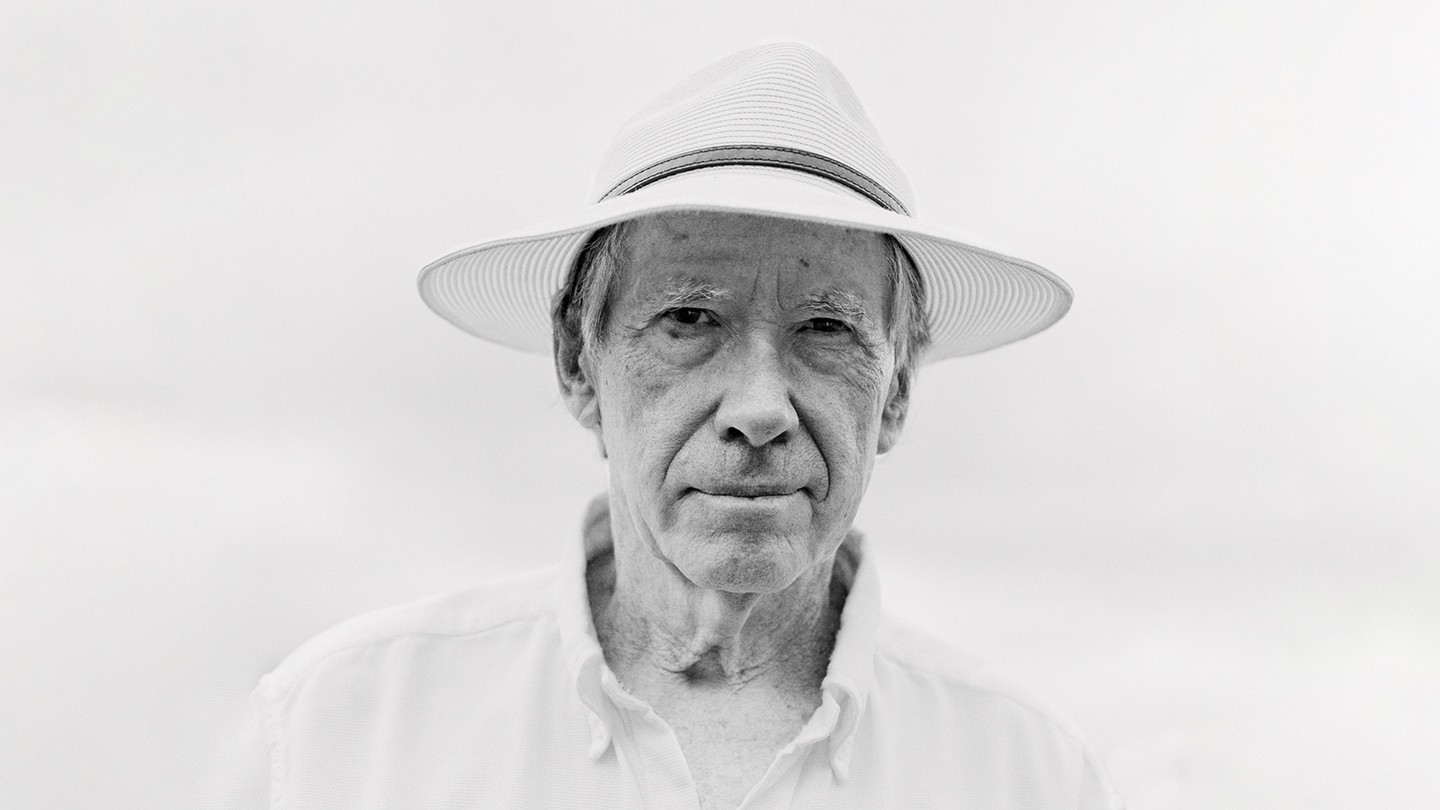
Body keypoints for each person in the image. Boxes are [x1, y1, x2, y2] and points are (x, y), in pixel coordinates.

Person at [214, 42, 1123, 809]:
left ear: (895, 393)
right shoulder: (335, 737)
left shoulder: (1028, 774)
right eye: (691, 320)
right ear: (579, 364)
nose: (761, 408)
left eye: (826, 328)